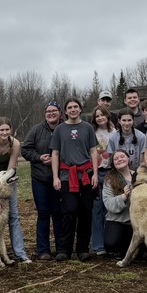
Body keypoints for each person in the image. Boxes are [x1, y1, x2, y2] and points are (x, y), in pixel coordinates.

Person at [51, 97, 99, 261]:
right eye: (69, 107)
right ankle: (64, 249)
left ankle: (83, 248)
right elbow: (55, 154)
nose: (72, 109)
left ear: (80, 109)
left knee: (85, 211)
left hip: (86, 174)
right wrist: (56, 176)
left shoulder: (87, 128)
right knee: (69, 211)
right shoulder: (59, 130)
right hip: (66, 175)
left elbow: (93, 151)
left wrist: (95, 174)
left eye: (75, 107)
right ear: (65, 111)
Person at [0, 117, 31, 263]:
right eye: (1, 130)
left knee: (13, 216)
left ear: (11, 130)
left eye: (7, 129)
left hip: (6, 180)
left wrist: (6, 189)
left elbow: (10, 170)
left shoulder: (15, 143)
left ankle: (20, 253)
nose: (4, 132)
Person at [21, 101, 64, 260]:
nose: (51, 114)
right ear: (45, 114)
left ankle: (62, 248)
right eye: (48, 111)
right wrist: (39, 157)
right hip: (40, 178)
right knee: (43, 213)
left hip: (60, 178)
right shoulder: (36, 130)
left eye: (54, 111)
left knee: (59, 213)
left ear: (60, 112)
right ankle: (43, 250)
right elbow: (25, 150)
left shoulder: (64, 128)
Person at [90, 106, 114, 256]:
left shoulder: (114, 133)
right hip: (96, 173)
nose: (100, 118)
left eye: (102, 115)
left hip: (111, 173)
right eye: (97, 116)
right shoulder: (91, 133)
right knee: (96, 209)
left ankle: (110, 242)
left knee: (110, 209)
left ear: (107, 116)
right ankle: (98, 245)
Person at [102, 149, 135, 258]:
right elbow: (108, 203)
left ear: (128, 158)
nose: (119, 159)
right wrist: (124, 196)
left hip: (135, 223)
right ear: (113, 164)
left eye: (122, 156)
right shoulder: (109, 179)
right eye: (116, 159)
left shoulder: (138, 176)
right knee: (112, 244)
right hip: (117, 220)